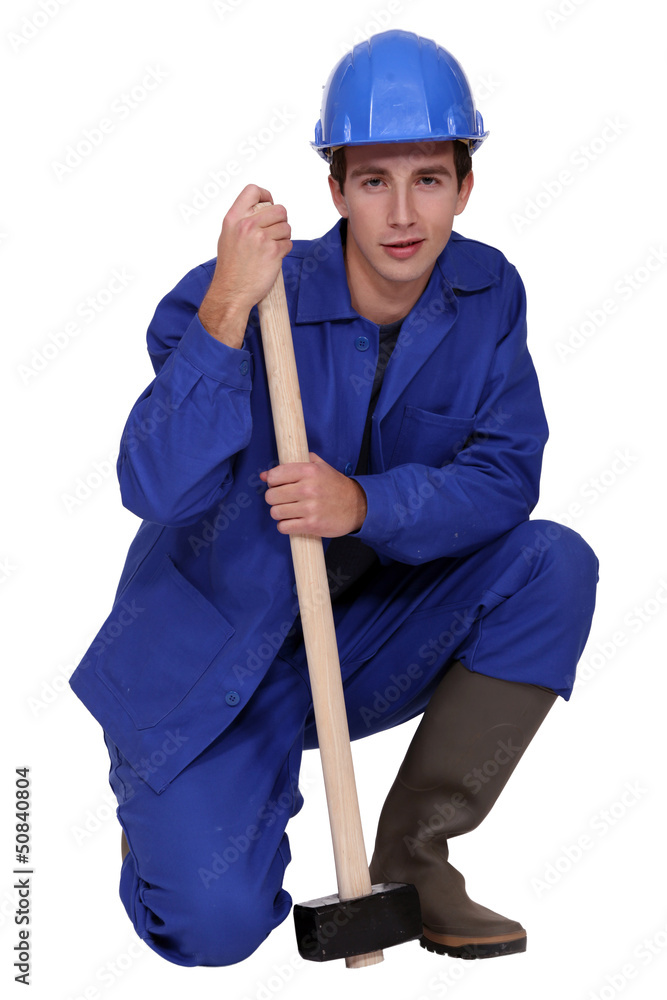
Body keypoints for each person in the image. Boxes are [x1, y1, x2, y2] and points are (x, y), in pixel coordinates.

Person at [70, 29, 598, 967]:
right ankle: (176, 825)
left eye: (427, 179)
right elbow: (151, 484)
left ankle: (412, 856)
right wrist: (227, 305)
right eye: (372, 181)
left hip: (357, 645)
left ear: (464, 186)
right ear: (335, 190)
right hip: (210, 667)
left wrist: (365, 504)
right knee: (213, 929)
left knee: (551, 565)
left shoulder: (486, 293)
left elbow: (505, 478)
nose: (400, 213)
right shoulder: (246, 294)